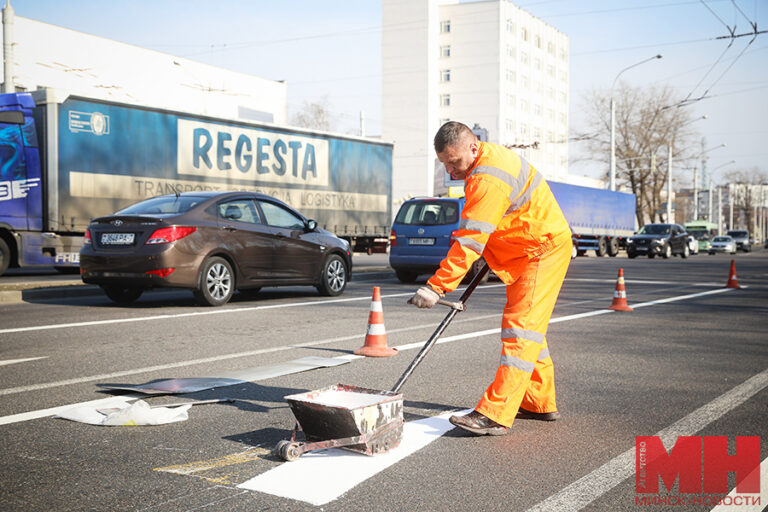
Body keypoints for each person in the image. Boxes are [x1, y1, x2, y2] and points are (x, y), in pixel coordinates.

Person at [408, 121, 572, 436]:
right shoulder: (487, 162)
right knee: (529, 329)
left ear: (473, 147)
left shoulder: (487, 179)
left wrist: (436, 287)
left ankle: (495, 413)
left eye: (455, 162)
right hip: (528, 246)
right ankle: (538, 401)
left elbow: (470, 241)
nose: (452, 171)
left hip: (540, 250)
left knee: (521, 329)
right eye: (445, 164)